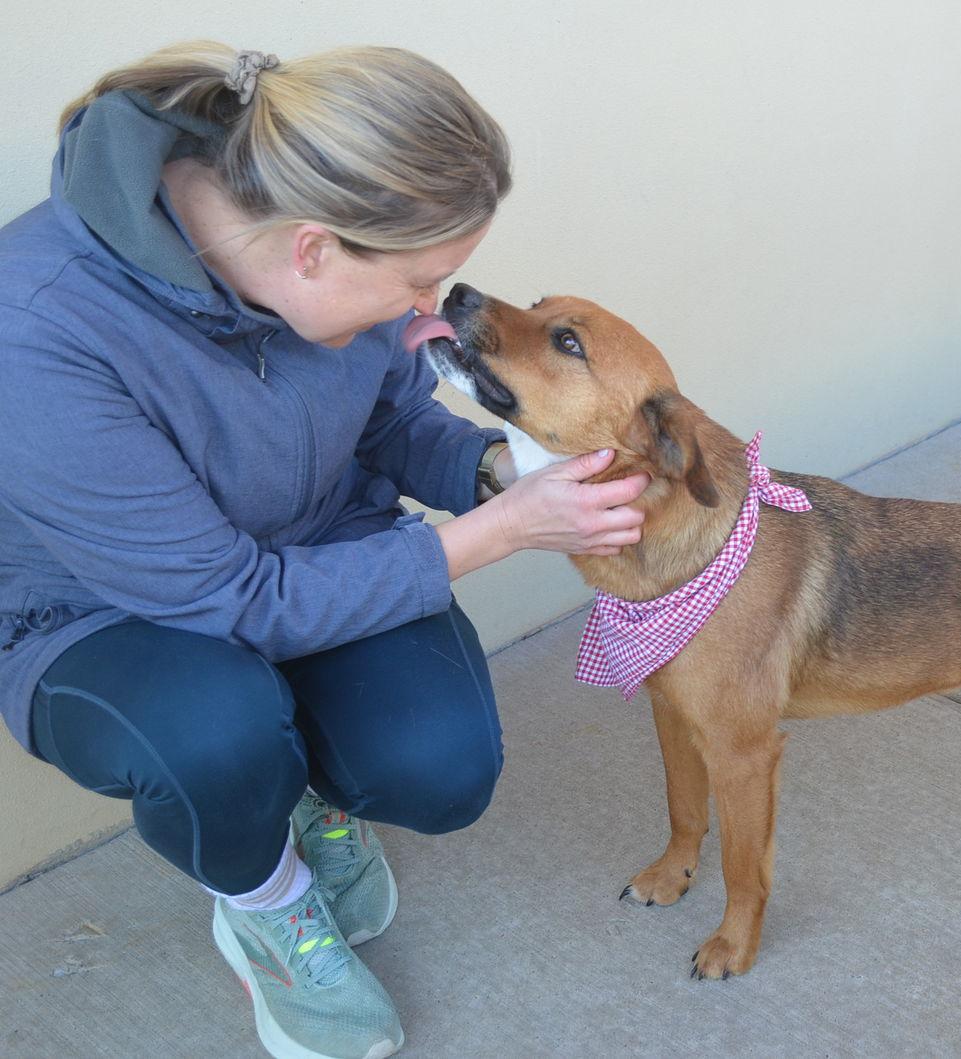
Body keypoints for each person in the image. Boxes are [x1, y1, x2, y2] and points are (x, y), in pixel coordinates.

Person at [0, 41, 648, 1059]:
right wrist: (502, 533)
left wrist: (498, 476)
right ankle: (267, 899)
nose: (432, 315)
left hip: (315, 542)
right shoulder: (34, 329)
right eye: (420, 283)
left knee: (438, 772)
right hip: (104, 617)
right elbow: (229, 600)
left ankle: (300, 791)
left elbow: (394, 424)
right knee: (215, 733)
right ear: (313, 250)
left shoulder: (315, 265)